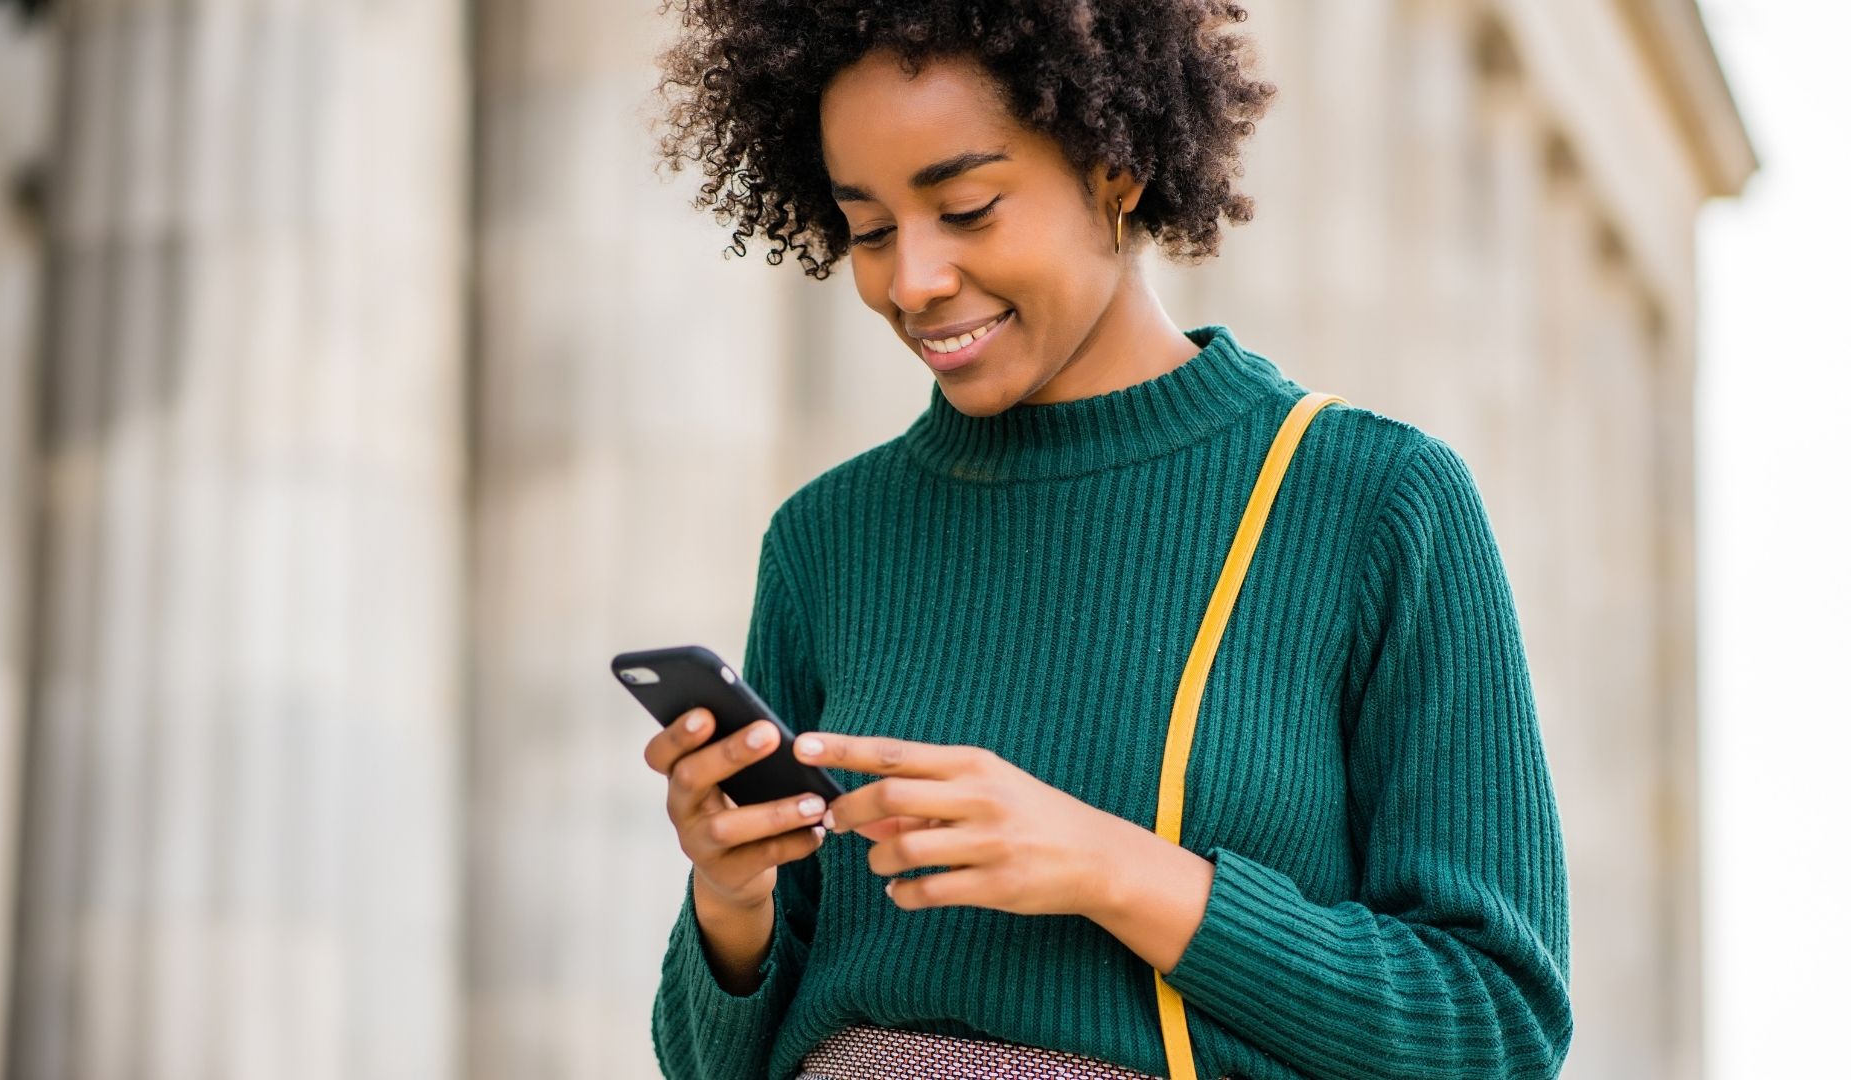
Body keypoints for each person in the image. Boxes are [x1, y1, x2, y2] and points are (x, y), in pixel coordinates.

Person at [638, 2, 1573, 1078]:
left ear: (1113, 170)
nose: (914, 282)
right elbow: (709, 1065)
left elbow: (1497, 1028)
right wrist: (731, 896)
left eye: (969, 208)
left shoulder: (1371, 499)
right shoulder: (824, 541)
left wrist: (1112, 870)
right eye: (872, 230)